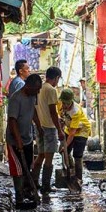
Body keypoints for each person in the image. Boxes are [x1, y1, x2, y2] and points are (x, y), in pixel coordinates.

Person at [6, 74, 42, 208]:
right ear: (29, 86)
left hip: (27, 137)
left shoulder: (33, 96)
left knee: (28, 166)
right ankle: (19, 198)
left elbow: (33, 111)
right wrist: (18, 139)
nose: (38, 92)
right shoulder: (16, 98)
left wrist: (38, 126)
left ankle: (28, 192)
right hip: (14, 140)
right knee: (18, 169)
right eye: (36, 89)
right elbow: (12, 120)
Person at [32, 66, 65, 194]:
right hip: (50, 128)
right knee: (49, 158)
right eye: (58, 79)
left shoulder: (39, 89)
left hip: (40, 126)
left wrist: (38, 125)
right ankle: (46, 186)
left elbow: (35, 109)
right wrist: (60, 130)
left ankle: (34, 181)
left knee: (40, 155)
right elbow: (52, 111)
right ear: (56, 78)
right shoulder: (51, 90)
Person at [58, 88, 91, 185]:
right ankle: (70, 169)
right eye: (63, 103)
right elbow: (61, 118)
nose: (65, 106)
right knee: (63, 151)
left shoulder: (75, 111)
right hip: (70, 128)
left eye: (67, 104)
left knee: (77, 154)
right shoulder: (59, 104)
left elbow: (72, 133)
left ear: (71, 101)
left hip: (82, 130)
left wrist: (65, 146)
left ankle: (78, 179)